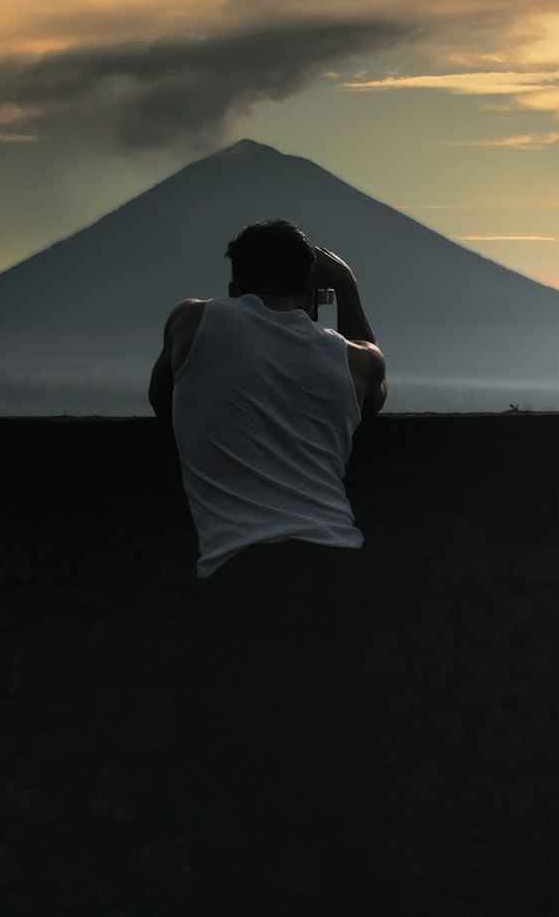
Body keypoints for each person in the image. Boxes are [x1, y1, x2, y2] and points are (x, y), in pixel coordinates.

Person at [148, 219, 388, 917]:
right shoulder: (349, 358)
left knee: (231, 775)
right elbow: (375, 367)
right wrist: (345, 288)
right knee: (340, 772)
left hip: (241, 581)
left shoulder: (194, 322)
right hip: (338, 577)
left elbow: (164, 401)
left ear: (234, 284)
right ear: (310, 289)